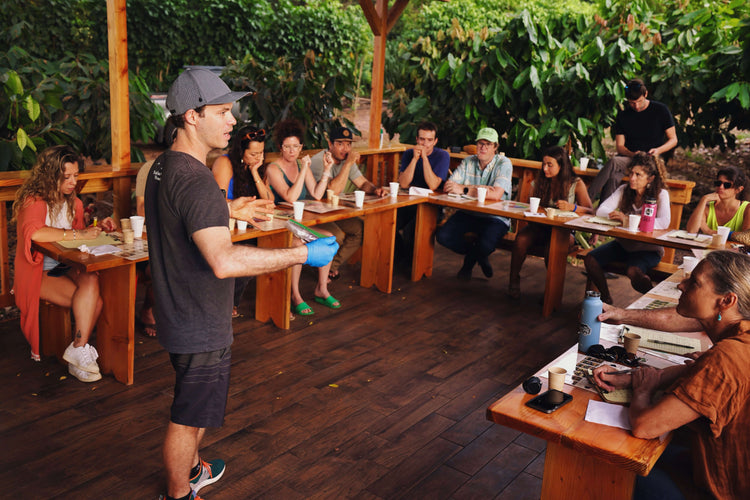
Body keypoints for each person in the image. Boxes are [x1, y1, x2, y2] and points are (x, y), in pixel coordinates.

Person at [147, 68, 337, 500]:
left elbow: (185, 214)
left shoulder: (167, 166)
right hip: (198, 319)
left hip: (180, 310)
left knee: (196, 408)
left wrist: (228, 207)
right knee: (187, 413)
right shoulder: (196, 179)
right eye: (222, 111)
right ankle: (179, 493)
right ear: (192, 117)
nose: (232, 120)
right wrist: (303, 255)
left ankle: (195, 468)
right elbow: (224, 260)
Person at [592, 250, 750, 499]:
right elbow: (697, 371)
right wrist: (634, 377)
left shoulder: (728, 355)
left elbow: (645, 426)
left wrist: (643, 390)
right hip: (719, 468)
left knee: (603, 459)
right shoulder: (740, 336)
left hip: (724, 489)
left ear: (726, 301)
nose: (681, 284)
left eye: (694, 282)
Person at [12, 145, 116, 382]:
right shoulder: (35, 201)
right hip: (37, 271)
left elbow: (77, 238)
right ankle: (79, 355)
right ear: (50, 176)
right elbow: (36, 233)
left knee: (90, 278)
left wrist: (97, 229)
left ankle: (77, 349)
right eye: (66, 176)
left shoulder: (75, 203)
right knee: (94, 303)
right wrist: (80, 235)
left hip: (64, 267)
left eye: (76, 175)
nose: (72, 182)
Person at [267, 118, 340, 316]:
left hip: (296, 223)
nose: (292, 151)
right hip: (278, 224)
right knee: (298, 244)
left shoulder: (301, 164)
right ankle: (295, 295)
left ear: (301, 147)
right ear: (280, 147)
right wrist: (304, 170)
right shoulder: (273, 169)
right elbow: (290, 197)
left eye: (296, 146)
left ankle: (321, 289)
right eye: (287, 146)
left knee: (327, 239)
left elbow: (316, 193)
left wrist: (326, 170)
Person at [583, 152, 670, 304]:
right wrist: (621, 218)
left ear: (650, 178)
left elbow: (664, 222)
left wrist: (628, 220)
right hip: (623, 246)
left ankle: (654, 301)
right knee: (590, 259)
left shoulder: (661, 194)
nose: (632, 178)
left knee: (634, 272)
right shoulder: (624, 190)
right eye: (631, 173)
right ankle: (606, 299)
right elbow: (602, 210)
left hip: (648, 250)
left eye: (638, 175)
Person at [508, 146, 593, 299]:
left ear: (561, 166)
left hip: (564, 231)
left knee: (552, 249)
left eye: (550, 165)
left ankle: (551, 293)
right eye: (544, 164)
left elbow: (590, 210)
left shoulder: (575, 183)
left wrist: (572, 207)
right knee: (521, 239)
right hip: (539, 228)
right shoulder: (540, 181)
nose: (545, 168)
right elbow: (530, 205)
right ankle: (513, 280)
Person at [309, 125, 386, 280]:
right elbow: (333, 190)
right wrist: (348, 164)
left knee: (361, 229)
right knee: (336, 235)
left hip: (335, 211)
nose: (345, 148)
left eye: (349, 144)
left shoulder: (346, 160)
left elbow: (362, 183)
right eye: (340, 144)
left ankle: (331, 266)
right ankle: (321, 269)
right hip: (313, 212)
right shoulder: (320, 160)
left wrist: (375, 189)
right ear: (330, 144)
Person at [212, 124, 273, 318]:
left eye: (261, 153)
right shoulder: (225, 163)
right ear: (241, 151)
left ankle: (274, 303)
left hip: (248, 225)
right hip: (226, 226)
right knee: (249, 254)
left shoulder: (257, 166)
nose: (258, 158)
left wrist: (255, 172)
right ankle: (227, 303)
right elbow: (218, 201)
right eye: (253, 154)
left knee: (270, 246)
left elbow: (269, 202)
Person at [436, 127, 512, 280]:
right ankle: (478, 255)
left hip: (495, 217)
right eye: (480, 143)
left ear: (495, 147)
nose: (483, 147)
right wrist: (479, 189)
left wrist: (463, 189)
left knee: (485, 245)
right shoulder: (468, 161)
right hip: (469, 213)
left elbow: (496, 194)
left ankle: (470, 262)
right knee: (443, 236)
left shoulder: (504, 163)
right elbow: (448, 187)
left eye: (488, 144)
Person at [588, 78, 677, 203]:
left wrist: (658, 150)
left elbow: (673, 139)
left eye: (639, 101)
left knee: (614, 166)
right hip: (630, 158)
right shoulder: (624, 115)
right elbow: (620, 146)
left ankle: (586, 200)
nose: (636, 106)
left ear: (645, 94)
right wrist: (633, 154)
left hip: (650, 160)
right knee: (614, 173)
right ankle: (601, 210)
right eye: (631, 103)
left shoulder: (660, 110)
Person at [395, 121, 450, 267]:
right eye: (422, 139)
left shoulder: (442, 156)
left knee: (410, 230)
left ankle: (410, 264)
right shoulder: (409, 154)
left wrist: (424, 158)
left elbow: (433, 185)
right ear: (417, 140)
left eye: (429, 140)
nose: (425, 143)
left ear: (435, 141)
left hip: (431, 205)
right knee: (389, 222)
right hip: (409, 202)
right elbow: (404, 184)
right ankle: (400, 257)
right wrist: (414, 159)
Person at [686, 166, 750, 235]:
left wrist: (709, 231)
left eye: (727, 185)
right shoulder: (707, 207)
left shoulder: (747, 209)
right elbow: (691, 230)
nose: (721, 187)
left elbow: (746, 236)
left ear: (739, 189)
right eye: (718, 183)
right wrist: (704, 200)